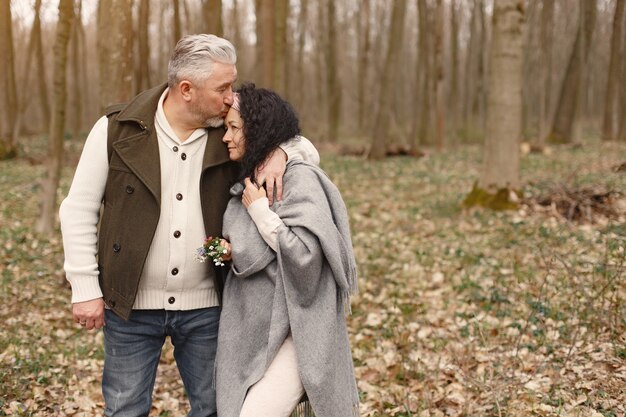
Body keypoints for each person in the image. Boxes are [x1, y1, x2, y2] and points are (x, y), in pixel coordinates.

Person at [58, 35, 318, 417]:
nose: (232, 97)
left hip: (209, 306)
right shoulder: (117, 128)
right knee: (125, 408)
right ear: (186, 89)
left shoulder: (229, 131)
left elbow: (306, 148)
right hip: (128, 306)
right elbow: (78, 208)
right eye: (223, 88)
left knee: (215, 407)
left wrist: (282, 152)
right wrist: (84, 287)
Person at [216, 84, 359, 417]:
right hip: (255, 328)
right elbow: (253, 250)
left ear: (257, 130)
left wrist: (260, 211)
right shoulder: (250, 177)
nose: (226, 137)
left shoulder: (299, 180)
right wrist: (229, 251)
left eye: (234, 128)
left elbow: (306, 257)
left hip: (298, 331)